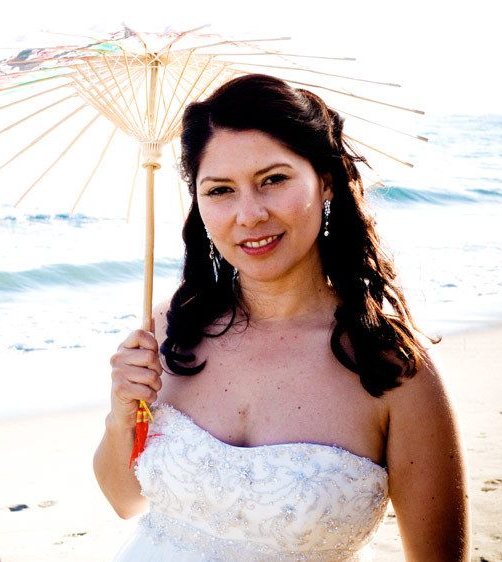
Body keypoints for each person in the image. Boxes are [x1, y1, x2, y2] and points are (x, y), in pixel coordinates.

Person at [93, 75, 469, 561]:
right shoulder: (171, 328)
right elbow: (124, 501)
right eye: (220, 190)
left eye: (273, 180)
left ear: (325, 181)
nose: (248, 215)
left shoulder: (393, 372)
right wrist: (122, 412)